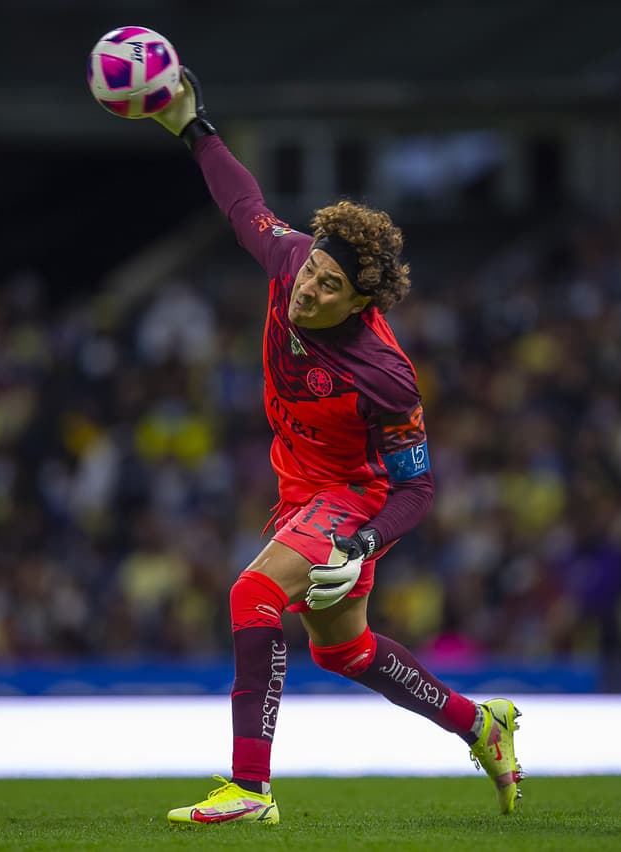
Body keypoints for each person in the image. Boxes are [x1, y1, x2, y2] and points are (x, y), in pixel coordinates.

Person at [145, 69, 522, 825]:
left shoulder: (385, 374)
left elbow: (418, 489)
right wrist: (193, 126)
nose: (309, 291)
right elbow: (241, 202)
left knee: (251, 596)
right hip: (301, 490)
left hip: (353, 499)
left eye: (328, 288)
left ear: (361, 303)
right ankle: (482, 725)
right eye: (314, 271)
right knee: (341, 652)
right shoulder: (289, 264)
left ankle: (250, 790)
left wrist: (363, 543)